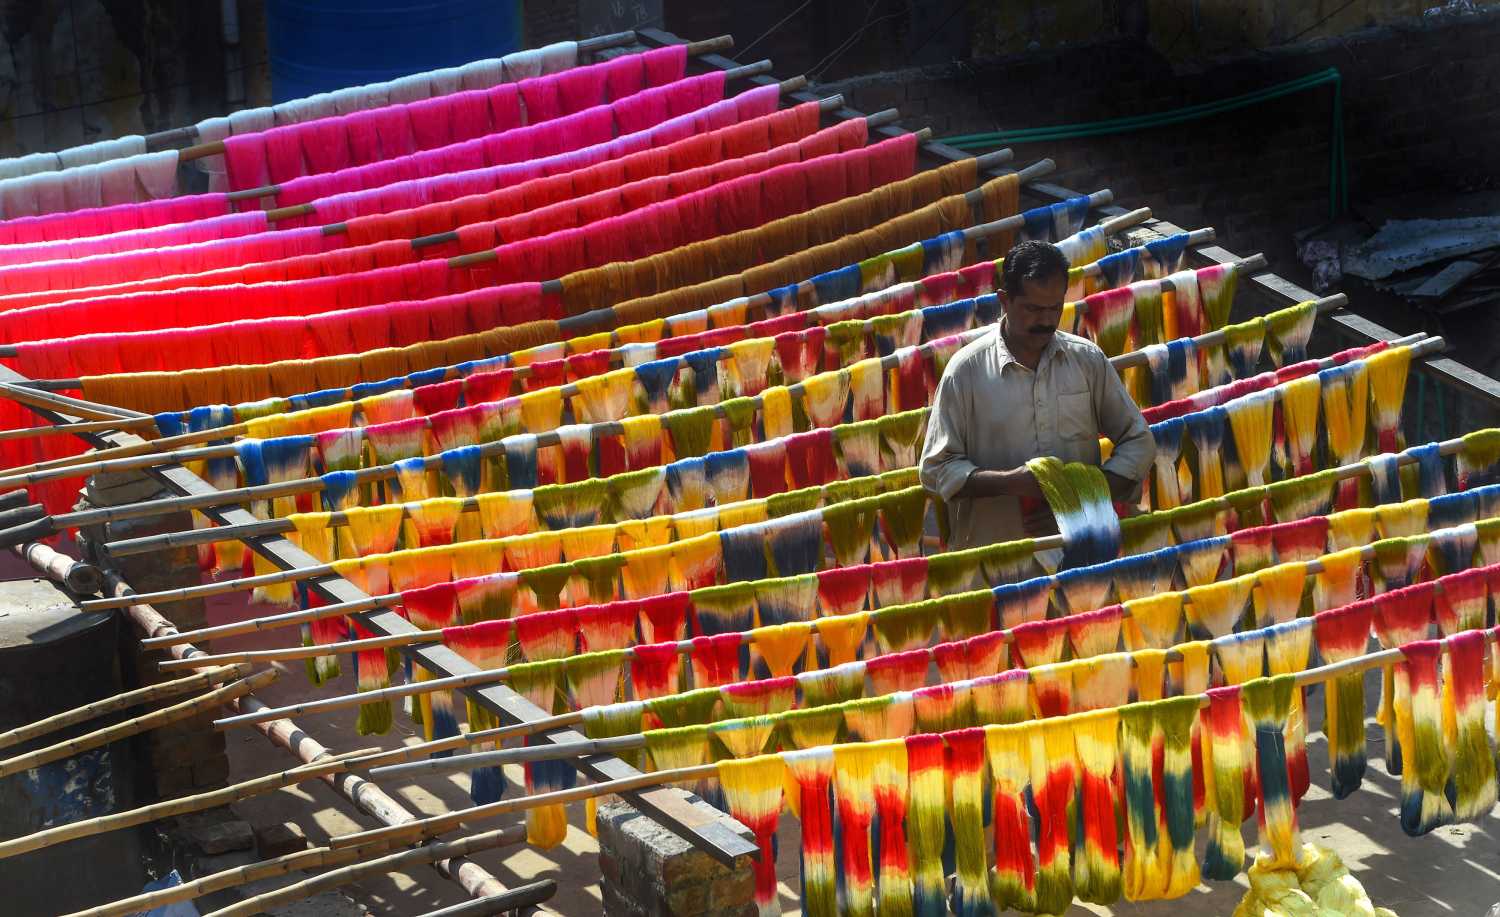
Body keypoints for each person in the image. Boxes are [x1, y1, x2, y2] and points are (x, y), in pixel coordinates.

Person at [919, 239, 1156, 550]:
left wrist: (1082, 498)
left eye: (1054, 308)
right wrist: (1011, 482)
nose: (1045, 320)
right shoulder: (965, 372)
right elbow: (935, 469)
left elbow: (1139, 441)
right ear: (1004, 300)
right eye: (1032, 309)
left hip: (1080, 555)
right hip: (995, 564)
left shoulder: (1087, 360)